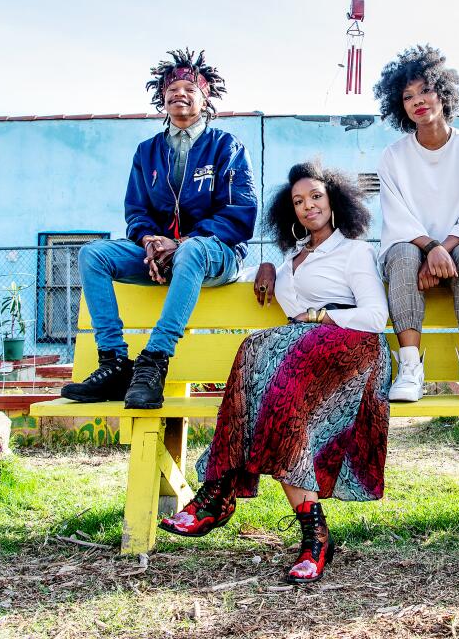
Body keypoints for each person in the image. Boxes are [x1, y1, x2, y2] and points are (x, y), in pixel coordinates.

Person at [159, 162, 391, 586]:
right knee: (274, 385)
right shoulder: (292, 260)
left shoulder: (354, 251)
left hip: (351, 351)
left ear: (334, 200)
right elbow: (256, 281)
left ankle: (217, 494)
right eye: (298, 201)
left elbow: (376, 316)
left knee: (265, 352)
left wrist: (319, 315)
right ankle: (313, 535)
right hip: (299, 359)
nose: (308, 206)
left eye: (315, 197)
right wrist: (266, 267)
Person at [62, 49, 257, 409]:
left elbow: (240, 214)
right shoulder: (147, 152)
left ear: (205, 97)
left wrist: (179, 242)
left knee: (192, 250)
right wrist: (150, 241)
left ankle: (154, 361)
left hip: (215, 254)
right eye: (172, 88)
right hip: (162, 256)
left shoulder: (228, 147)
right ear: (161, 97)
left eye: (189, 87)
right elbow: (136, 211)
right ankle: (115, 363)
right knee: (93, 254)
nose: (179, 93)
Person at [372, 45, 459, 402]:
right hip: (413, 251)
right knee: (401, 254)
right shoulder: (393, 156)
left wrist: (443, 251)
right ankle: (410, 368)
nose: (418, 101)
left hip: (458, 254)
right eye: (408, 96)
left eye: (425, 90)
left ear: (443, 92)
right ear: (400, 106)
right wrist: (429, 248)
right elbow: (397, 216)